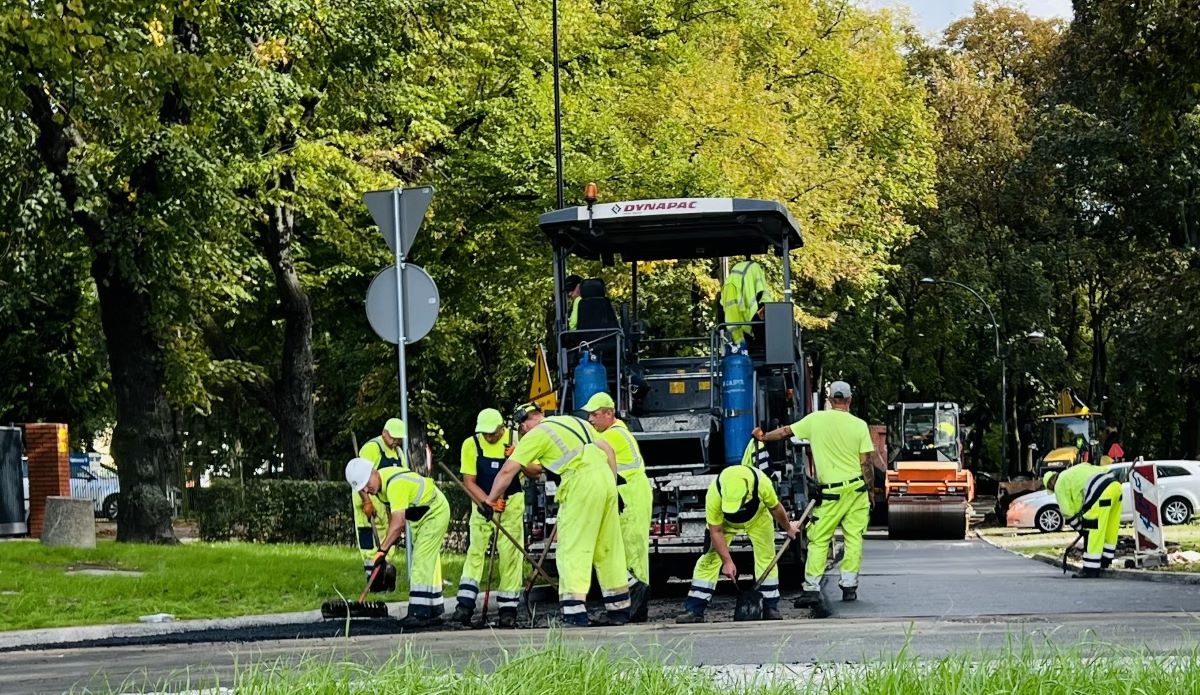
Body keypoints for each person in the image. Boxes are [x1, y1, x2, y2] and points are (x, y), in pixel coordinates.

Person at [483, 403, 628, 627]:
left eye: (522, 429)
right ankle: (619, 609)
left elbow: (507, 471)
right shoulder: (573, 420)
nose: (523, 433)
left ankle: (574, 613)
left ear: (525, 423)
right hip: (606, 480)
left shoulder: (536, 434)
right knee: (608, 546)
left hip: (580, 484)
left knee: (572, 547)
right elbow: (608, 450)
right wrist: (613, 485)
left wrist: (490, 500)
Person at [754, 380, 873, 605]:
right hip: (857, 490)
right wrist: (870, 493)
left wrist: (763, 437)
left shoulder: (815, 420)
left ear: (829, 399)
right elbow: (866, 463)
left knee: (819, 539)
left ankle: (811, 589)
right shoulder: (859, 425)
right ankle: (849, 586)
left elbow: (785, 432)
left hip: (831, 493)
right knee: (853, 538)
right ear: (849, 400)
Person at [675, 464, 799, 623]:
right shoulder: (715, 493)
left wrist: (789, 528)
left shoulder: (762, 483)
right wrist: (727, 561)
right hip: (725, 524)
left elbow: (775, 508)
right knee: (709, 560)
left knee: (766, 557)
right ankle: (694, 610)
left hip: (758, 520)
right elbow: (716, 531)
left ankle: (769, 607)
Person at [345, 457, 450, 627]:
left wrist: (382, 550)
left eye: (366, 484)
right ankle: (433, 610)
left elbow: (398, 522)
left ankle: (419, 612)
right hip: (421, 518)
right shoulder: (380, 484)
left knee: (421, 561)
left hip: (434, 514)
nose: (367, 490)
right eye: (362, 488)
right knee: (426, 561)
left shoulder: (395, 485)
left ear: (373, 472)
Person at [582, 392, 653, 621]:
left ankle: (635, 602)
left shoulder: (612, 436)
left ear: (609, 413)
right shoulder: (618, 431)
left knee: (631, 551)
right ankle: (633, 605)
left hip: (629, 495)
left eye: (594, 415)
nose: (590, 420)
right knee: (629, 550)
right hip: (629, 493)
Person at [452, 408, 522, 628]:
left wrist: (518, 457)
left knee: (510, 554)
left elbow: (536, 471)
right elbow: (469, 481)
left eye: (492, 433)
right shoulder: (471, 444)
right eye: (485, 433)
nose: (488, 437)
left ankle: (508, 609)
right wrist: (488, 502)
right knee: (475, 550)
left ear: (502, 427)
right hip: (482, 502)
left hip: (511, 503)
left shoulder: (516, 439)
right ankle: (464, 605)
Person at [352, 418, 408, 584]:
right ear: (384, 433)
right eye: (393, 438)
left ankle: (384, 575)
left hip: (387, 504)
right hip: (367, 502)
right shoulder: (372, 448)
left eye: (399, 438)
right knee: (368, 540)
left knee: (388, 539)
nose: (396, 441)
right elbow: (359, 477)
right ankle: (372, 579)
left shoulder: (399, 453)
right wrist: (367, 501)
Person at [1044, 462, 1121, 577]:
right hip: (1115, 487)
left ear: (1051, 484)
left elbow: (1067, 512)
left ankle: (1090, 569)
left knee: (1092, 529)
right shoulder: (1073, 471)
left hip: (1100, 492)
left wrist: (1081, 528)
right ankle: (1106, 560)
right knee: (1110, 527)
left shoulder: (1059, 485)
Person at [720, 259, 772, 345]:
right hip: (741, 340)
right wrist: (740, 342)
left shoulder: (731, 286)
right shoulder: (731, 287)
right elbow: (732, 321)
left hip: (746, 336)